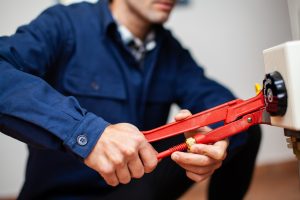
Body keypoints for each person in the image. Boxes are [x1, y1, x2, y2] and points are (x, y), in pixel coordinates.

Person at [0, 0, 261, 199]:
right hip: (62, 194)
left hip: (133, 189)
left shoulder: (170, 51)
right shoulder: (65, 24)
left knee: (244, 125)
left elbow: (215, 99)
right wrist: (87, 134)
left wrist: (214, 140)